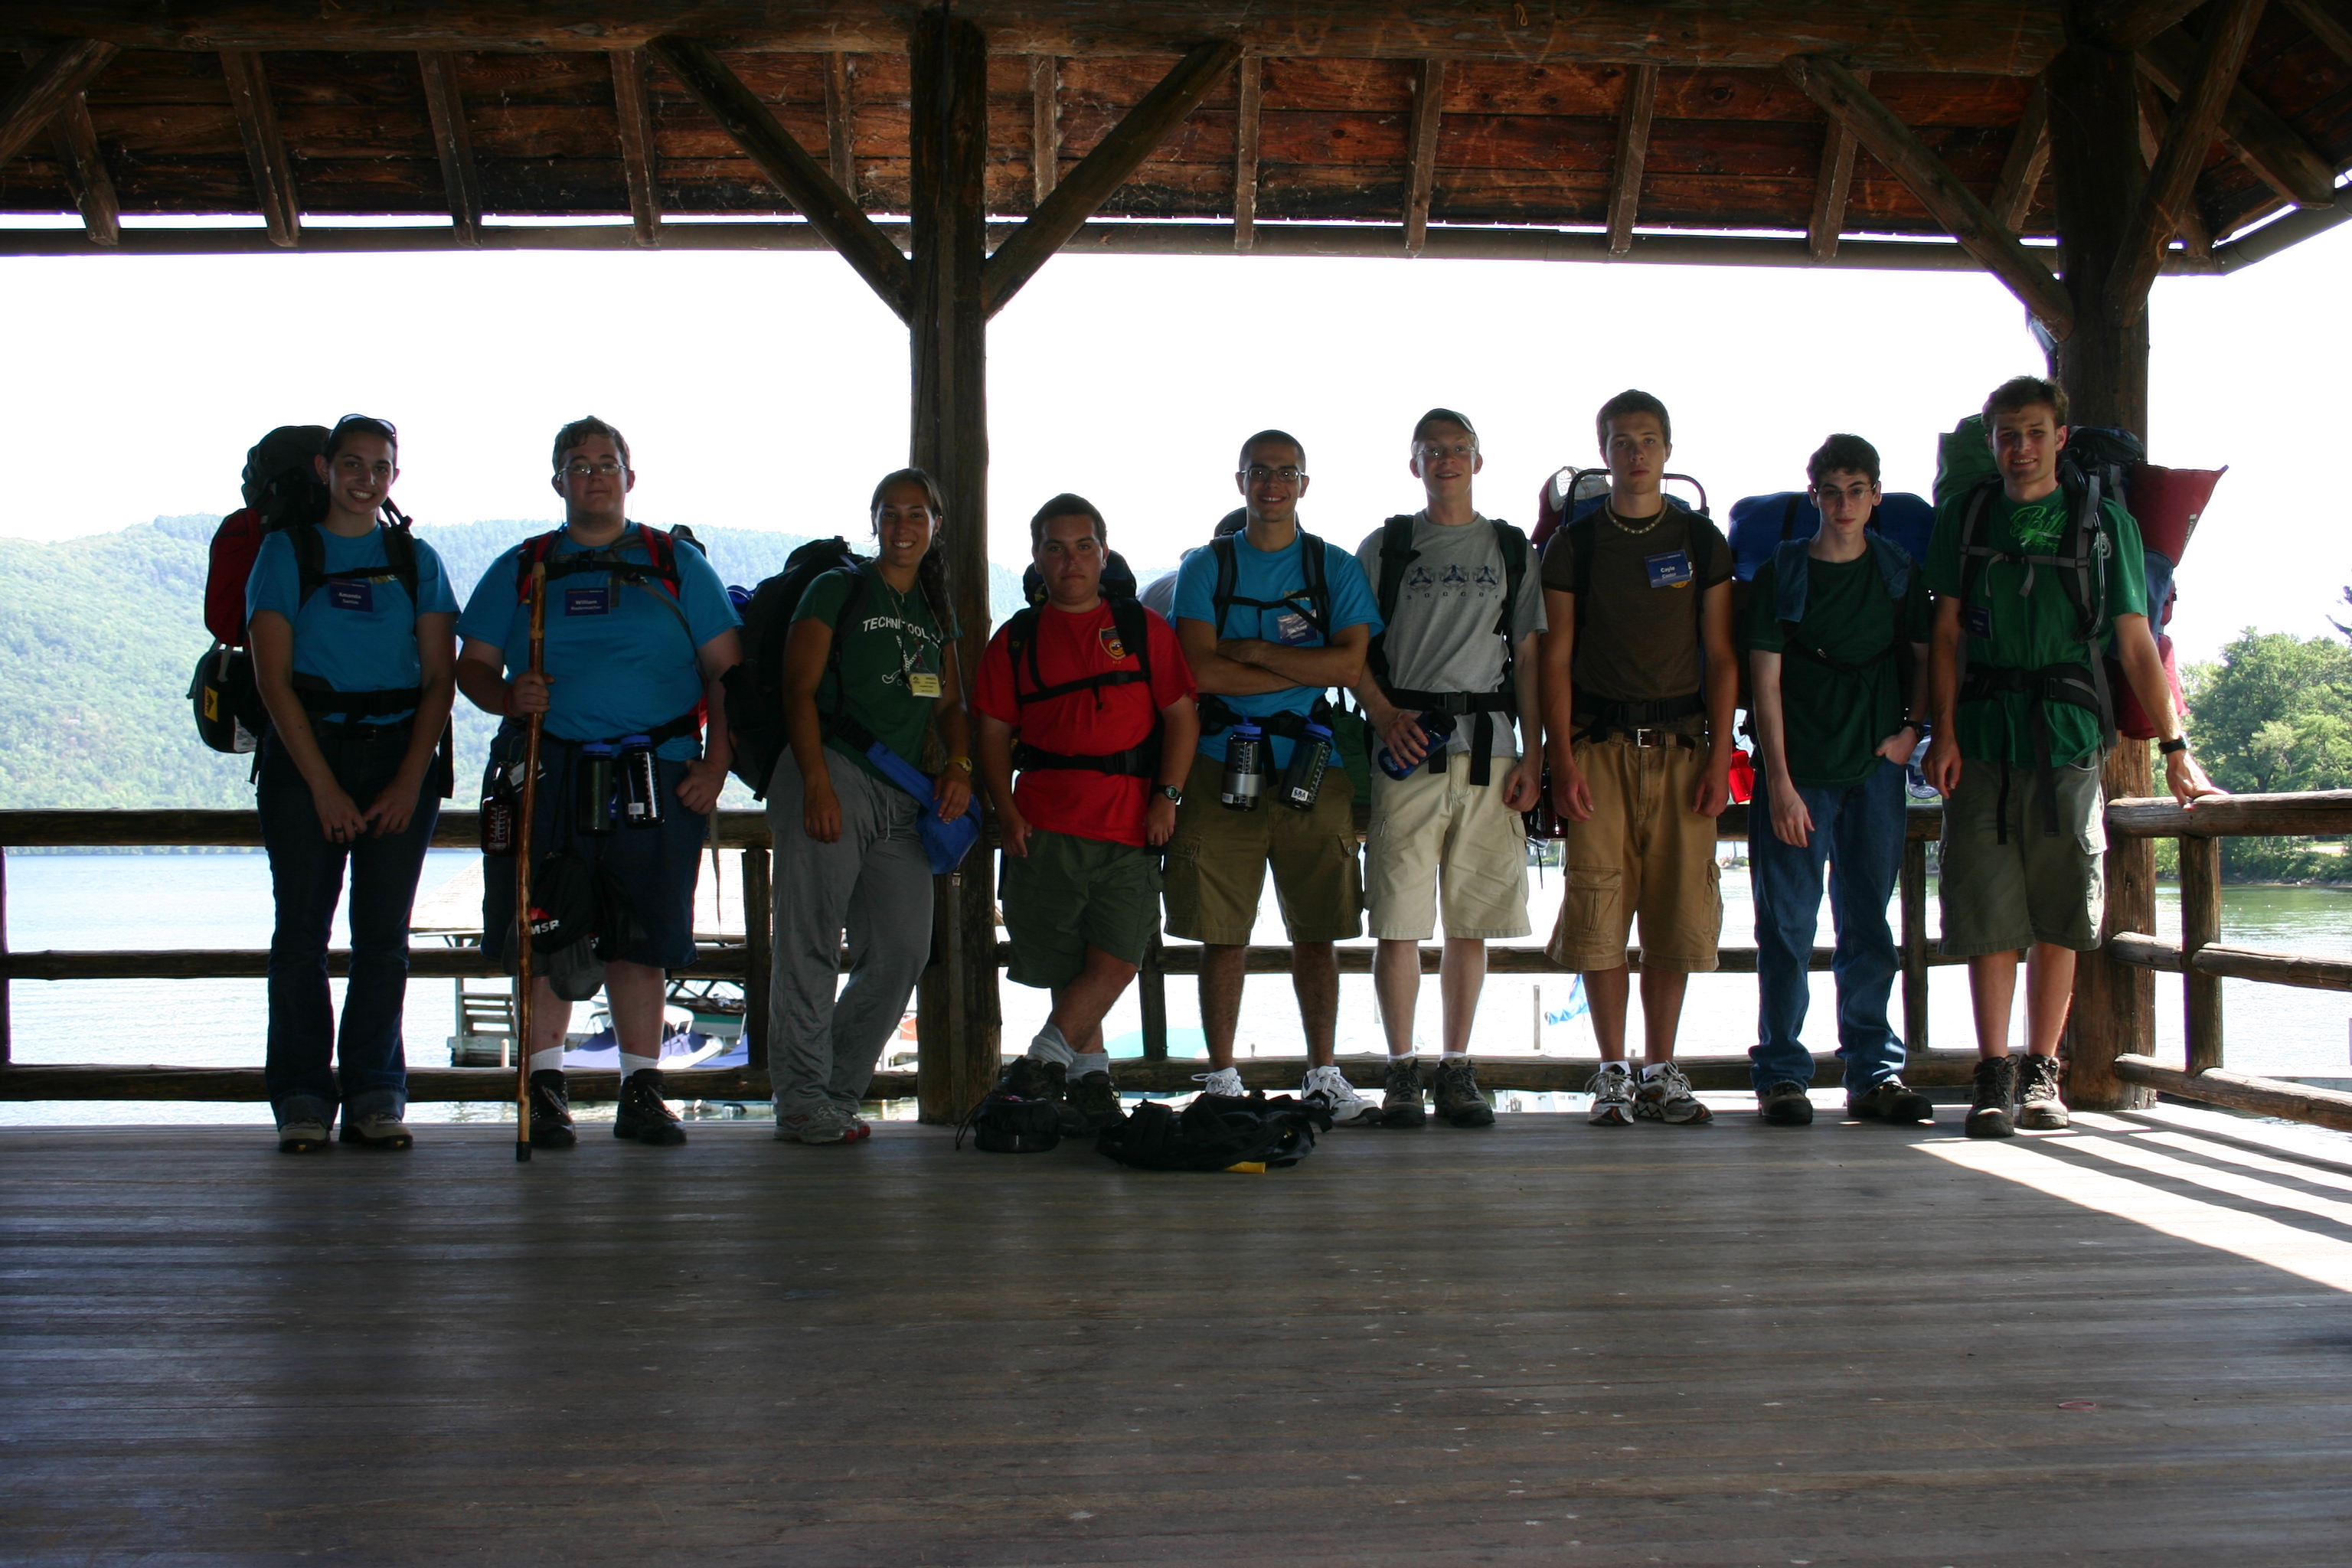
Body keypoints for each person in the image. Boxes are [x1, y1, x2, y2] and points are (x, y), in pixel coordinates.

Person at [1924, 377, 2220, 1138]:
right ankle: (1994, 1074)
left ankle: (2042, 1070)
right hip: (1983, 736)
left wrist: (2176, 746)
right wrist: (1943, 733)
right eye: (2006, 435)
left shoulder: (2103, 523)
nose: (2019, 448)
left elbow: (2135, 641)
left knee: (2062, 909)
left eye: (2033, 433)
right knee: (1987, 908)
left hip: (2067, 737)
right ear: (1991, 442)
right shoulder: (1968, 518)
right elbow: (1946, 633)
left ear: (2060, 438)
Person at [455, 416, 742, 1150]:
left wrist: (715, 766)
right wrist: (507, 696)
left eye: (606, 463)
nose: (594, 476)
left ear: (629, 477)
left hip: (658, 771)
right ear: (558, 481)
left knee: (640, 935)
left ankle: (641, 1091)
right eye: (579, 466)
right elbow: (472, 666)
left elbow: (726, 672)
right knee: (544, 926)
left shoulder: (675, 563)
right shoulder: (524, 566)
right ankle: (544, 1088)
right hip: (546, 770)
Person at [248, 414, 457, 1153]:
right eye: (352, 464)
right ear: (325, 468)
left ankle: (375, 1094)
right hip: (307, 756)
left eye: (380, 467)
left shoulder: (415, 559)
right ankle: (303, 1098)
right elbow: (272, 680)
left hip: (400, 756)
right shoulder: (286, 553)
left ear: (394, 476)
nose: (366, 479)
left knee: (383, 939)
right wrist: (324, 788)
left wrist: (407, 783)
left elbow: (439, 680)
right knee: (301, 936)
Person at [1167, 430, 1382, 1120]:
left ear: (1304, 485)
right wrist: (1303, 666)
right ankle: (1222, 1078)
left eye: (1286, 472)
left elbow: (1349, 666)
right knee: (1222, 933)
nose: (1272, 484)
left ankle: (1324, 1074)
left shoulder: (1333, 566)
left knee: (1317, 932)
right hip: (1217, 763)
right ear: (1241, 482)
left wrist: (1253, 651)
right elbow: (1198, 671)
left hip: (1310, 765)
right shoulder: (1207, 567)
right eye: (1260, 472)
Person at [1538, 390, 1736, 1127]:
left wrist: (1721, 757)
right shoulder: (1576, 544)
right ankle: (1613, 1071)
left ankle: (1660, 1069)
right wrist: (1560, 760)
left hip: (1684, 750)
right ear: (1604, 451)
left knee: (1676, 913)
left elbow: (1722, 655)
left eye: (1648, 439)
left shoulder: (1700, 540)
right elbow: (1555, 658)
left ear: (1668, 449)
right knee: (1597, 911)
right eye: (1621, 441)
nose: (1635, 453)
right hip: (1598, 750)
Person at [975, 494, 1199, 1129]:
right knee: (1067, 962)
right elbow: (991, 734)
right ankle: (1091, 1080)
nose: (1070, 560)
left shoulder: (1143, 629)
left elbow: (1182, 717)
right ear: (1036, 556)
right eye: (1055, 547)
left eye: (1082, 547)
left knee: (1120, 956)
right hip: (1044, 823)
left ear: (1103, 553)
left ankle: (1038, 1063)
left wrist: (1168, 795)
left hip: (1130, 821)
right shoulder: (1015, 639)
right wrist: (1006, 811)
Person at [1350, 410, 1544, 1128]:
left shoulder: (1511, 549)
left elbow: (1530, 658)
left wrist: (1536, 753)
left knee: (1472, 921)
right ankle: (1402, 1069)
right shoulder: (1387, 546)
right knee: (1398, 921)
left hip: (1491, 748)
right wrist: (1382, 717)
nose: (1446, 460)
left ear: (1478, 461)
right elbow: (1352, 649)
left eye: (1458, 449)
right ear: (1415, 464)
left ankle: (1456, 1066)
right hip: (1406, 749)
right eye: (1432, 451)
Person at [769, 469, 973, 1145]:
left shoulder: (935, 609)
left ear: (936, 524)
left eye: (917, 513)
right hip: (830, 771)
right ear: (875, 521)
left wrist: (961, 765)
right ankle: (802, 1101)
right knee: (809, 941)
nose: (903, 525)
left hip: (901, 793)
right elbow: (797, 689)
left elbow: (950, 704)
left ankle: (834, 1091)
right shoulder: (838, 588)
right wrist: (816, 782)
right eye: (890, 513)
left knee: (904, 948)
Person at [1744, 434, 1933, 1128]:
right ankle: (1782, 1074)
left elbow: (1926, 658)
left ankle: (1874, 1073)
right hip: (1801, 778)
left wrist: (1911, 732)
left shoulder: (1896, 571)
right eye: (1832, 492)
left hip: (1874, 773)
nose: (1845, 504)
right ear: (1814, 496)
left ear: (1876, 496)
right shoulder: (1783, 573)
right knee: (1786, 929)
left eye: (1857, 491)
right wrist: (1780, 783)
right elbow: (1764, 685)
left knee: (1869, 927)